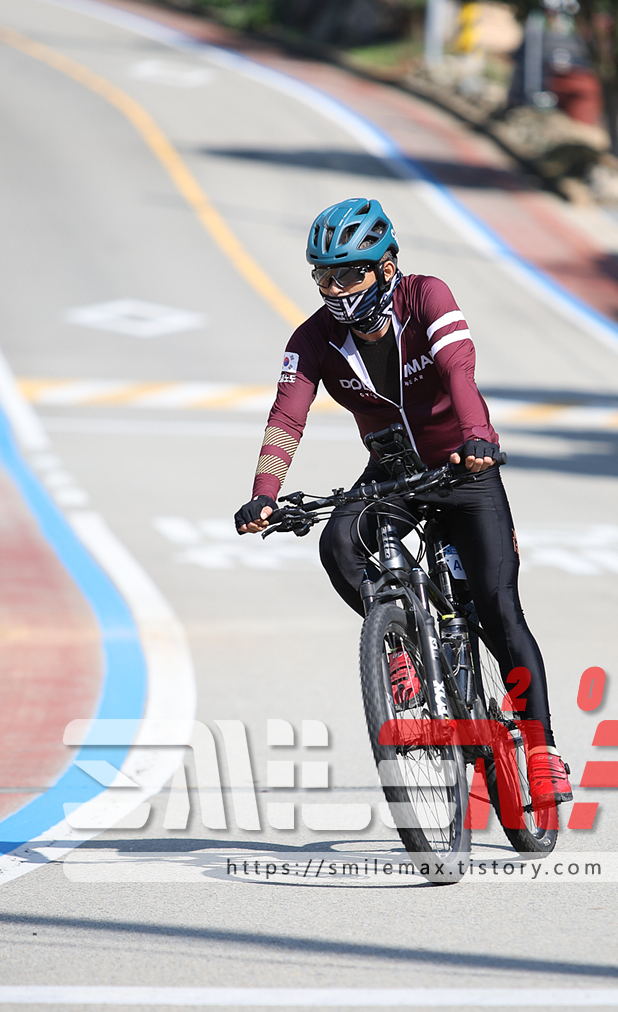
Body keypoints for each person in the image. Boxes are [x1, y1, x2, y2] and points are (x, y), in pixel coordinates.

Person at [233, 196, 572, 806]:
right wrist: (264, 495)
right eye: (323, 277)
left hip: (462, 467)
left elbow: (460, 371)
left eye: (347, 275)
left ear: (386, 267)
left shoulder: (427, 296)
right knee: (339, 542)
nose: (334, 290)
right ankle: (400, 643)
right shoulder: (312, 339)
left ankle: (541, 750)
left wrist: (477, 438)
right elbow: (286, 419)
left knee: (499, 611)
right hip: (392, 473)